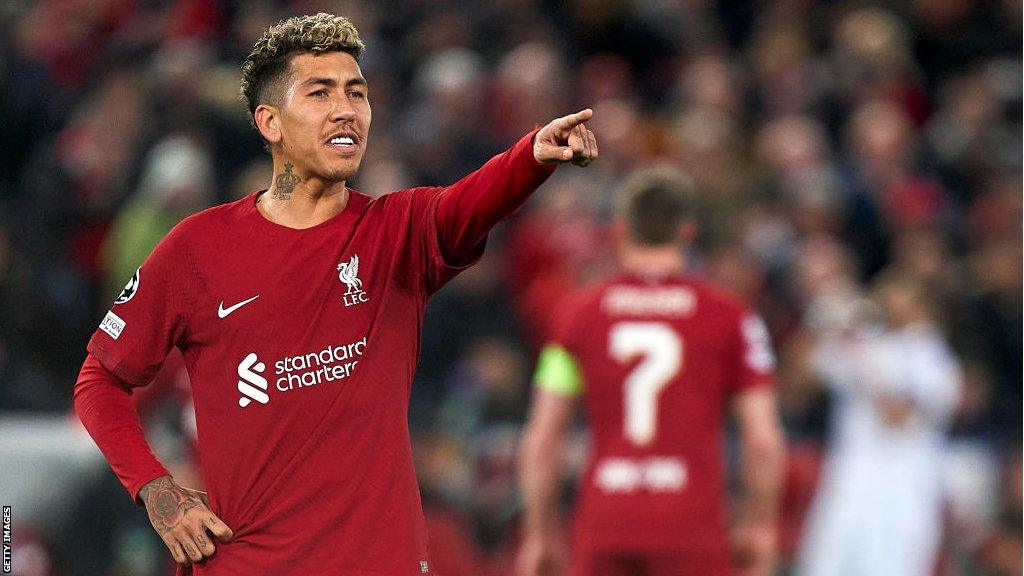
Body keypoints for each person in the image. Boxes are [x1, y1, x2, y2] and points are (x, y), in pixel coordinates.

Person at [72, 12, 598, 575]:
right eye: (320, 93)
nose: (347, 109)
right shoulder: (197, 249)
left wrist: (532, 158)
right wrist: (157, 491)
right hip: (245, 564)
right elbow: (100, 381)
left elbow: (468, 203)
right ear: (269, 121)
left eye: (357, 93)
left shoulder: (398, 232)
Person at [516, 166, 785, 576]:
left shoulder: (576, 317)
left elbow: (543, 437)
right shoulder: (732, 319)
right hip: (692, 527)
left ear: (620, 231)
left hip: (605, 523)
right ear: (687, 231)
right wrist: (759, 525)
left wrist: (539, 532)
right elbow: (763, 439)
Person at [794, 270, 962, 576]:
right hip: (850, 478)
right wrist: (821, 318)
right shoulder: (873, 343)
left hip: (903, 488)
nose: (889, 303)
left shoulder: (934, 359)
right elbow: (798, 379)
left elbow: (896, 418)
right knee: (822, 566)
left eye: (900, 296)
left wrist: (862, 358)